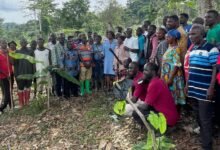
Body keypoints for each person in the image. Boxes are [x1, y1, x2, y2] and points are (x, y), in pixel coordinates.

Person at [185, 24, 219, 150]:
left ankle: (207, 146)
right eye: (190, 34)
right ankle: (204, 139)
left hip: (205, 90)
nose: (191, 36)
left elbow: (216, 69)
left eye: (194, 34)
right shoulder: (193, 48)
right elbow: (191, 69)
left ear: (202, 34)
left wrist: (211, 88)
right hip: (194, 89)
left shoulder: (211, 49)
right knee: (198, 116)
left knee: (205, 119)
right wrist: (187, 85)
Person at [132, 63, 179, 127]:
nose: (143, 72)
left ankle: (159, 129)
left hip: (167, 120)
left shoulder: (154, 84)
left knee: (136, 113)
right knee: (143, 109)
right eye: (143, 70)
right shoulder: (158, 80)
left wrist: (136, 106)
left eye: (146, 70)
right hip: (170, 117)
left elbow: (145, 106)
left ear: (153, 72)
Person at [161, 29, 185, 105]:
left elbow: (177, 65)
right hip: (167, 76)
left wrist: (170, 78)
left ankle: (175, 114)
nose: (166, 38)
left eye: (169, 37)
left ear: (174, 38)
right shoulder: (169, 47)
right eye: (166, 37)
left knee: (174, 98)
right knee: (169, 97)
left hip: (173, 77)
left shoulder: (176, 49)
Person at [14, 38, 34, 107]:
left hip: (29, 72)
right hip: (20, 73)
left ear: (27, 43)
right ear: (20, 43)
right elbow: (15, 64)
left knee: (28, 87)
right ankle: (21, 103)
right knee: (20, 87)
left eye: (24, 42)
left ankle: (27, 102)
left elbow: (33, 63)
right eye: (22, 42)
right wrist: (16, 74)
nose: (23, 43)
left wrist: (33, 72)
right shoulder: (17, 52)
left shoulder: (30, 51)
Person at [0, 40, 13, 114]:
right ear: (0, 44)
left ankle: (12, 106)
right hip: (3, 77)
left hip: (10, 74)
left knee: (10, 90)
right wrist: (5, 74)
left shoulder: (9, 52)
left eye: (5, 43)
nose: (4, 44)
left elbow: (12, 62)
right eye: (2, 43)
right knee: (7, 92)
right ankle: (2, 107)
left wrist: (9, 54)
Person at [52, 33, 66, 97]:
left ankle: (65, 93)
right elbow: (54, 57)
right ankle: (59, 94)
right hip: (58, 66)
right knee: (58, 81)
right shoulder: (55, 46)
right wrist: (55, 65)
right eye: (60, 38)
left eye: (63, 38)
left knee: (65, 80)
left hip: (66, 66)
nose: (62, 39)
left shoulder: (65, 45)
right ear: (58, 39)